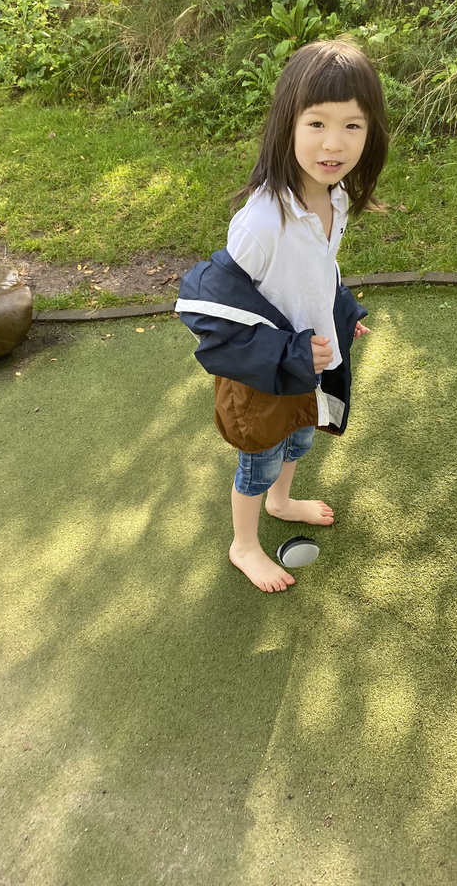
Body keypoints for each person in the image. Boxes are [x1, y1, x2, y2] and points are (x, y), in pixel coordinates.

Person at [176, 39, 388, 592]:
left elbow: (319, 272)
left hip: (308, 363)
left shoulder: (333, 197)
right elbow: (213, 310)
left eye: (353, 126)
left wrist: (340, 313)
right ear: (286, 125)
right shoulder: (261, 223)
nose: (335, 143)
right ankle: (243, 545)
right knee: (259, 458)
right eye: (317, 123)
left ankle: (282, 501)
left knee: (300, 438)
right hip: (263, 374)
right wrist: (286, 352)